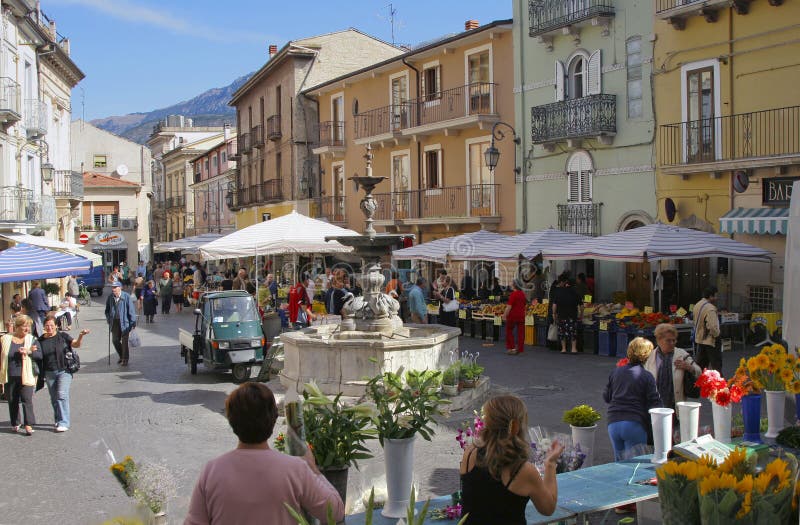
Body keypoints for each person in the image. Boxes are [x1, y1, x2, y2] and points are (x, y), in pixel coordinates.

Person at [185, 383, 344, 525]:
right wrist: (313, 468)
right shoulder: (295, 469)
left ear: (231, 419)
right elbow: (335, 512)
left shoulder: (211, 471)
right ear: (273, 420)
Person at [460, 395, 563, 524]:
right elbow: (548, 509)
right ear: (518, 425)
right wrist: (551, 464)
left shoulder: (470, 453)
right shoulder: (523, 470)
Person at [603, 337, 662, 461]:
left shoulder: (616, 372)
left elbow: (607, 397)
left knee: (618, 464)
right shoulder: (646, 376)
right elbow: (655, 403)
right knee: (635, 466)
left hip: (613, 423)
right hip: (634, 423)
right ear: (647, 355)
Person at [38, 314, 89, 432]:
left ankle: (64, 422)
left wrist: (81, 336)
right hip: (49, 371)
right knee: (54, 398)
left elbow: (76, 344)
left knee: (61, 394)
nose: (49, 328)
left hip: (64, 370)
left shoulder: (62, 336)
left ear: (56, 326)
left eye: (51, 325)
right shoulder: (40, 340)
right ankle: (58, 418)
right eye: (47, 326)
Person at [645, 323, 702, 413]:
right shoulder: (649, 357)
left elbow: (699, 371)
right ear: (659, 340)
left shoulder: (681, 354)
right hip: (654, 406)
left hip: (676, 405)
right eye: (668, 340)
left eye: (674, 340)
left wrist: (689, 367)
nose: (672, 343)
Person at [0, 315, 41, 435]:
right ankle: (15, 422)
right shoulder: (5, 339)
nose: (27, 329)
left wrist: (28, 352)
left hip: (26, 374)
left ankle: (28, 424)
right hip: (10, 375)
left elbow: (39, 355)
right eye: (24, 326)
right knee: (12, 400)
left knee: (26, 399)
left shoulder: (32, 339)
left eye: (28, 326)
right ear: (17, 327)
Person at [105, 281, 137, 366]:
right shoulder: (110, 297)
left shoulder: (126, 296)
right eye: (113, 287)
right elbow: (107, 310)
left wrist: (133, 322)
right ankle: (121, 356)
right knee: (115, 340)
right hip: (114, 322)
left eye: (115, 287)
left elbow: (131, 310)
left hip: (125, 322)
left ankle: (125, 359)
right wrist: (108, 319)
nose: (113, 289)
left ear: (120, 288)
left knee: (124, 341)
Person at [693, 285, 721, 371]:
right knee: (716, 366)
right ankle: (719, 383)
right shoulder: (710, 308)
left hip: (699, 339)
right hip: (710, 341)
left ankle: (698, 383)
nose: (717, 298)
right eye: (715, 295)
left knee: (701, 366)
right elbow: (712, 327)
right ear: (710, 296)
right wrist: (717, 334)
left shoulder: (697, 305)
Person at [551, 273, 581, 354]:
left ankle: (563, 348)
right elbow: (580, 306)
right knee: (573, 332)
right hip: (572, 315)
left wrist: (554, 314)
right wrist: (580, 314)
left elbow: (554, 305)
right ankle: (573, 349)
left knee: (562, 332)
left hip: (561, 315)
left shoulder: (559, 292)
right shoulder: (575, 293)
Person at [503, 279, 527, 356]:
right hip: (521, 315)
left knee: (509, 330)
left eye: (512, 283)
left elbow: (509, 307)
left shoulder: (513, 294)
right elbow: (524, 305)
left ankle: (511, 348)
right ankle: (520, 349)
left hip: (513, 315)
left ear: (514, 285)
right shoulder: (523, 294)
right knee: (521, 333)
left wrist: (504, 315)